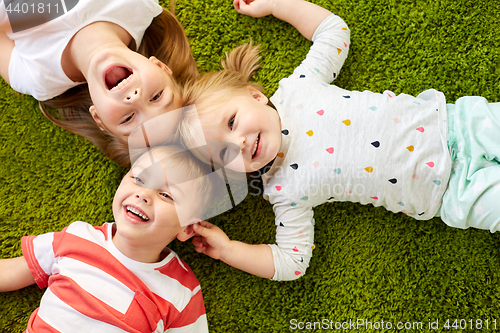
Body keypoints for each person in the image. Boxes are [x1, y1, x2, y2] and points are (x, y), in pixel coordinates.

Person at [177, 0, 500, 281]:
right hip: (451, 192)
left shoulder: (298, 88)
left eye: (232, 122)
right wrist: (230, 250)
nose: (240, 143)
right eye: (223, 153)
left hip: (459, 124)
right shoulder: (283, 191)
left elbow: (333, 32)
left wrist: (276, 4)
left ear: (255, 96)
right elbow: (292, 262)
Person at [0, 145, 213, 332]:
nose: (143, 194)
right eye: (138, 179)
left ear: (187, 228)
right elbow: (11, 271)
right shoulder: (77, 236)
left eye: (166, 195)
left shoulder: (182, 291)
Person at [0, 0, 197, 166]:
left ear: (98, 118)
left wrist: (25, 12)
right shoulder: (140, 6)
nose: (135, 99)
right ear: (160, 66)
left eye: (128, 119)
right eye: (156, 97)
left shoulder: (37, 78)